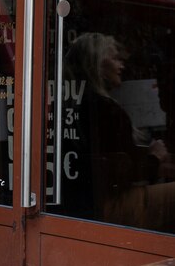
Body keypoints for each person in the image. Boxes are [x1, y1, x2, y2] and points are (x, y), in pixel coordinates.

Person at [62, 32, 174, 231]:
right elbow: (120, 174)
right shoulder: (104, 110)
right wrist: (155, 158)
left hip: (82, 208)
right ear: (96, 65)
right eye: (114, 58)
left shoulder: (75, 105)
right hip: (106, 208)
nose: (121, 65)